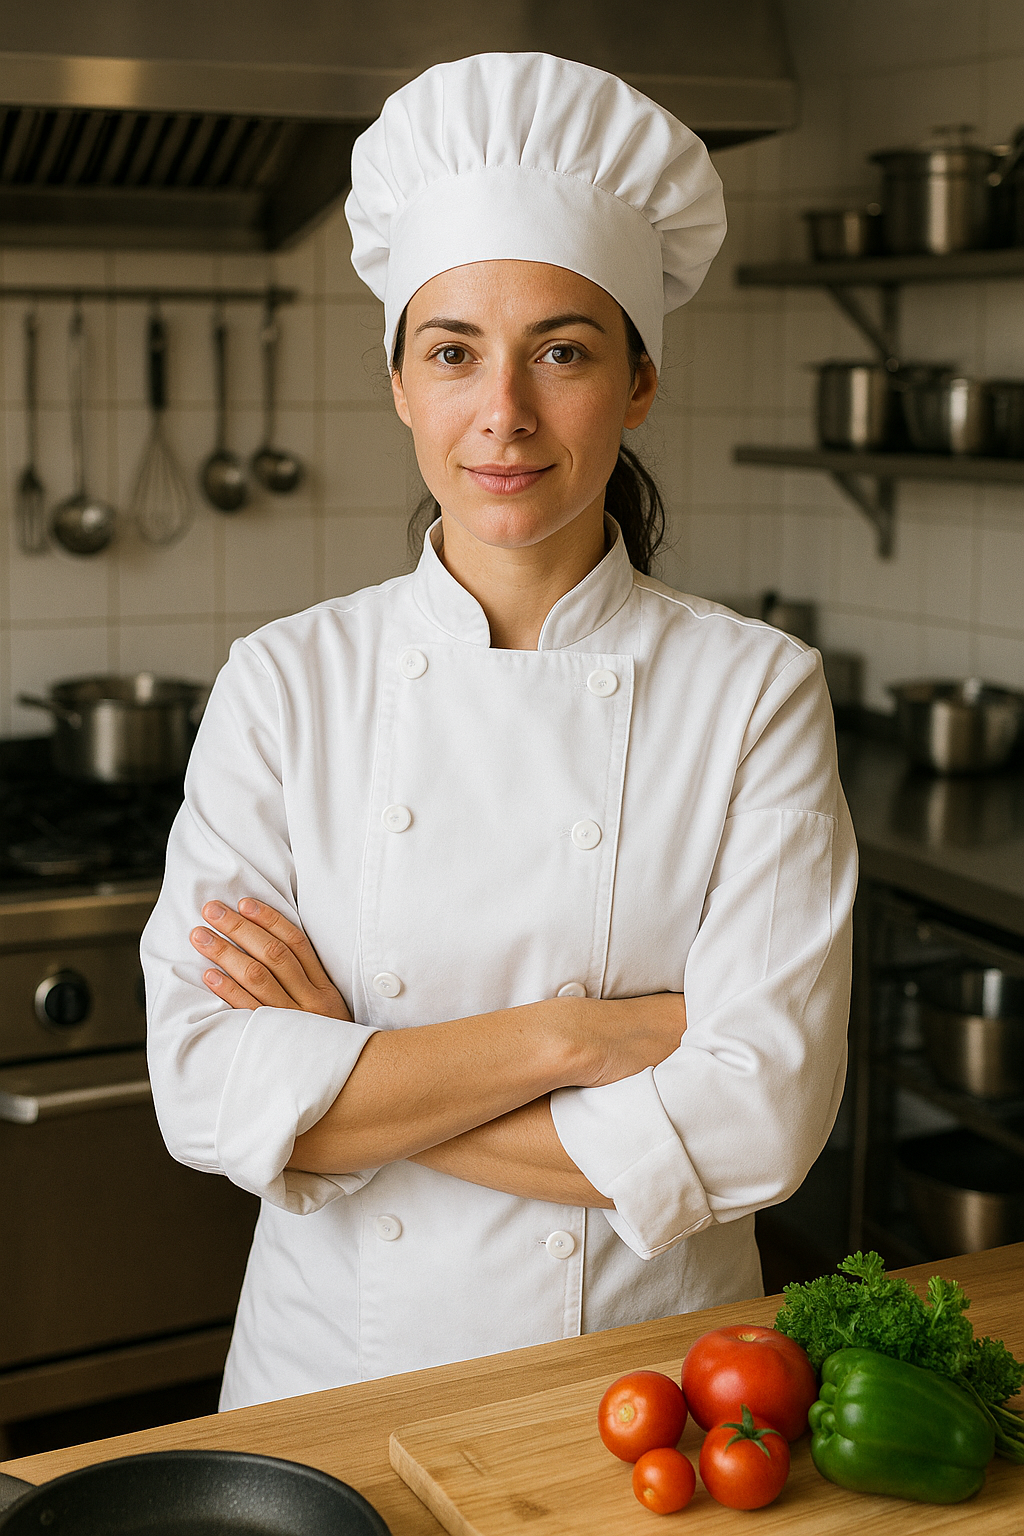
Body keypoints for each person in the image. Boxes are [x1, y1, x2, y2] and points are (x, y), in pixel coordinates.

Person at [142, 52, 858, 1412]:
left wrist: (347, 1080)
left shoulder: (756, 692)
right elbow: (204, 1084)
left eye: (565, 352)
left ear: (639, 386)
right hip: (331, 1376)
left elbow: (760, 1120)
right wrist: (579, 1040)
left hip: (639, 1388)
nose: (504, 414)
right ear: (402, 385)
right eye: (454, 351)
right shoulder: (285, 683)